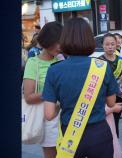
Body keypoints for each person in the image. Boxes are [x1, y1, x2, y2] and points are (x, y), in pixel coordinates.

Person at [42, 17, 119, 158]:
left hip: (70, 136)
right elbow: (111, 103)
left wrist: (63, 103)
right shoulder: (102, 67)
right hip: (99, 134)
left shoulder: (54, 70)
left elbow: (49, 114)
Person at [23, 21, 63, 158]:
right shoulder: (33, 63)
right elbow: (28, 97)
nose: (60, 47)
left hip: (67, 117)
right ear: (47, 41)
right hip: (48, 120)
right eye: (57, 42)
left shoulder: (62, 60)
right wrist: (53, 92)